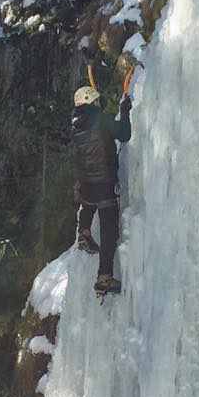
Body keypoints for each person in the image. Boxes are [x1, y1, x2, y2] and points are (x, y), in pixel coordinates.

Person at [71, 83, 132, 294]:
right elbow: (123, 134)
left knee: (88, 204)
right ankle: (104, 276)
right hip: (104, 182)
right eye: (96, 100)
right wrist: (124, 112)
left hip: (88, 183)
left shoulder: (76, 125)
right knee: (109, 229)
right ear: (91, 101)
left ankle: (84, 231)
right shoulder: (100, 118)